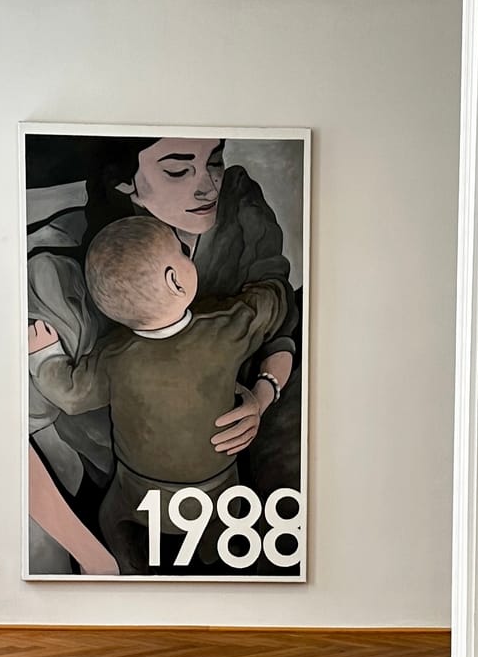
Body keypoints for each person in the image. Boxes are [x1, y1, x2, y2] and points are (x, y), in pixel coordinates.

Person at [25, 135, 303, 574]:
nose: (208, 186)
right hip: (131, 487)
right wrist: (100, 563)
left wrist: (262, 394)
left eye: (214, 161)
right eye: (177, 170)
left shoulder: (237, 204)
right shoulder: (62, 269)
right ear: (125, 184)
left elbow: (281, 317)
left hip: (220, 475)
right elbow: (268, 306)